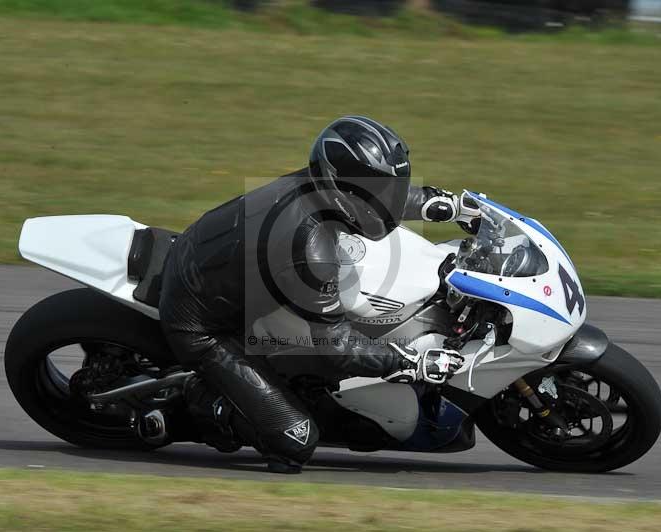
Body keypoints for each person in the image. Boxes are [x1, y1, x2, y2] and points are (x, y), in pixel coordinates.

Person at [158, 116, 477, 473]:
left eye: (391, 188)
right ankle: (192, 401)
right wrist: (409, 363)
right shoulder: (310, 248)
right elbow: (335, 346)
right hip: (202, 323)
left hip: (216, 263)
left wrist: (445, 204)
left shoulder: (327, 186)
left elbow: (376, 196)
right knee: (296, 441)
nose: (388, 199)